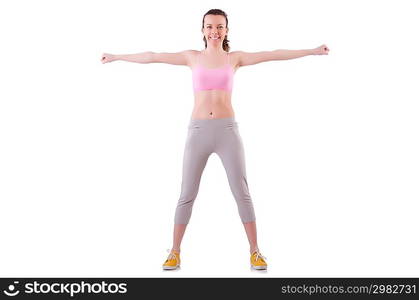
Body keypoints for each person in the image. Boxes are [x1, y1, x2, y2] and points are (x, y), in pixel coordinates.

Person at [101, 8, 329, 271]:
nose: (214, 31)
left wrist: (312, 51)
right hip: (198, 132)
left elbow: (274, 54)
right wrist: (117, 57)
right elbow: (153, 56)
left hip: (227, 132)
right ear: (202, 30)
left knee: (241, 192)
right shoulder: (192, 57)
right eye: (209, 26)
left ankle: (255, 251)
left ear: (227, 30)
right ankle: (174, 252)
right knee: (187, 193)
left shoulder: (235, 59)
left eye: (219, 26)